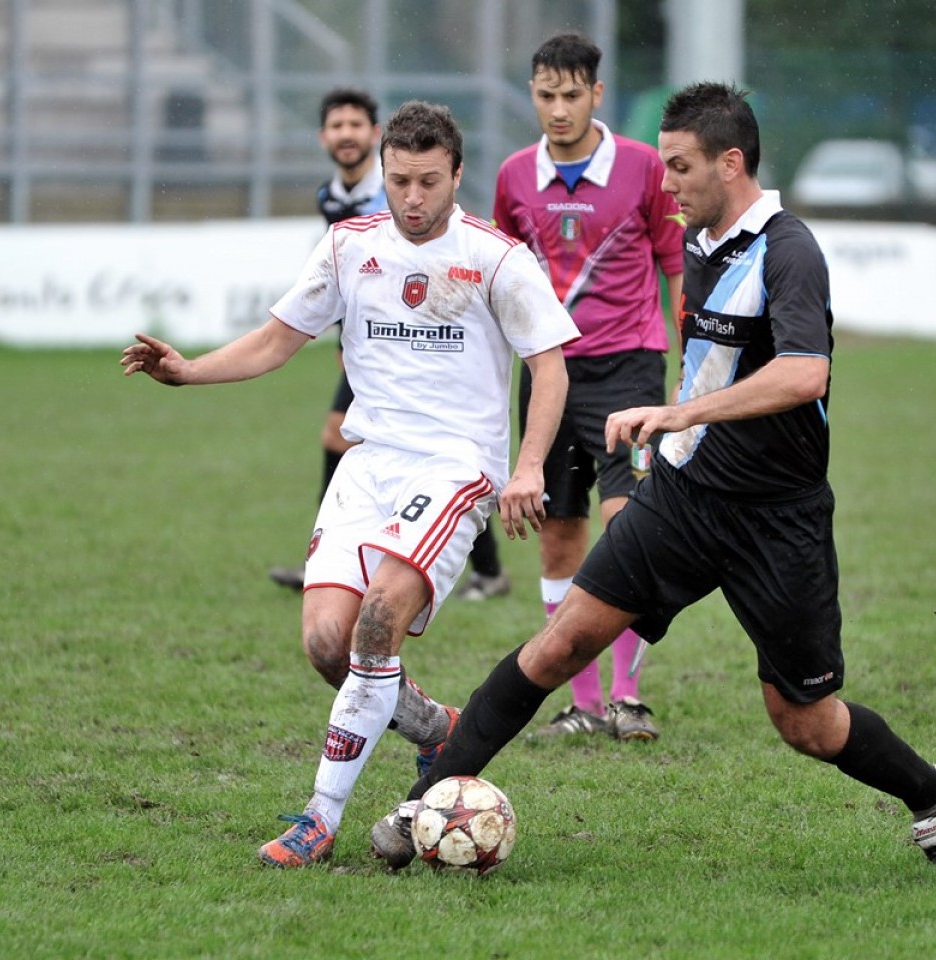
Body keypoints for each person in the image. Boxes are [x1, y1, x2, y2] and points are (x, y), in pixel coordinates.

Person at [370, 82, 936, 873]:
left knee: (805, 721)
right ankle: (434, 793)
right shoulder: (698, 242)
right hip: (685, 498)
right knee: (559, 644)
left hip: (778, 521)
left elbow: (804, 374)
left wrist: (679, 414)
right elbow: (712, 366)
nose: (667, 183)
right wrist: (674, 421)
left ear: (730, 163)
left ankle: (935, 797)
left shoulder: (789, 251)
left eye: (680, 166)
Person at [121, 100, 579, 869]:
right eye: (398, 180)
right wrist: (188, 371)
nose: (411, 197)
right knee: (328, 644)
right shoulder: (347, 246)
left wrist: (528, 464)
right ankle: (437, 729)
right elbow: (277, 340)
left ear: (456, 176)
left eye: (428, 182)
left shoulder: (497, 257)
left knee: (376, 623)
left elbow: (550, 364)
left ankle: (319, 817)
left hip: (454, 465)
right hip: (369, 465)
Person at [492, 31, 684, 742]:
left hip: (631, 369)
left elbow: (675, 267)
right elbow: (504, 279)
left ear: (597, 94)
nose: (559, 108)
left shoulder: (642, 168)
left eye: (572, 94)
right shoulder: (514, 176)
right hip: (549, 375)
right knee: (558, 537)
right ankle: (584, 703)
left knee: (628, 527)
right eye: (546, 95)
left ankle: (629, 697)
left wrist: (689, 365)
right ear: (533, 95)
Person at [268, 86, 511, 603]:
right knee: (345, 439)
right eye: (337, 126)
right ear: (324, 137)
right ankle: (334, 552)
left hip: (413, 348)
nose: (346, 135)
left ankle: (480, 564)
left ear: (374, 136)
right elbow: (348, 279)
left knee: (356, 438)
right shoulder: (331, 197)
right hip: (373, 345)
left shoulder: (397, 203)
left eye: (356, 125)